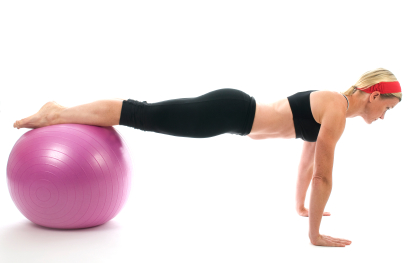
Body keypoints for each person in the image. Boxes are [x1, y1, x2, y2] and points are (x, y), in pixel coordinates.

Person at [13, 68, 402, 247]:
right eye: (389, 106)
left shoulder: (333, 109)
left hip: (233, 113)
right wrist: (315, 235)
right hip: (231, 112)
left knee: (145, 114)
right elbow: (323, 175)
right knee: (143, 114)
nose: (385, 116)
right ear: (374, 95)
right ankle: (58, 113)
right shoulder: (335, 108)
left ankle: (60, 112)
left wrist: (300, 207)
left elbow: (306, 163)